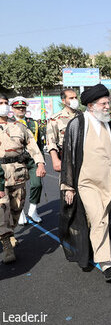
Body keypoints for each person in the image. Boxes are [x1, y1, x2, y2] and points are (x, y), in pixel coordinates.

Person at [59, 84, 111, 281]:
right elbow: (68, 155)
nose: (107, 106)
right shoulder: (77, 125)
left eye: (107, 102)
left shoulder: (110, 125)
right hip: (87, 183)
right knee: (99, 218)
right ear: (91, 105)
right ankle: (106, 264)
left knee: (103, 219)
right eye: (103, 103)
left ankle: (94, 243)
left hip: (110, 182)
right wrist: (68, 186)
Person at [0, 94, 46, 263]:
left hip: (18, 173)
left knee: (16, 208)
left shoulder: (20, 127)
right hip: (0, 176)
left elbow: (33, 147)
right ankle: (7, 245)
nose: (4, 106)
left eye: (6, 103)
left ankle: (9, 232)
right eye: (1, 103)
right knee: (2, 210)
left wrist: (40, 163)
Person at [9, 97, 46, 224]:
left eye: (23, 108)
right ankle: (20, 213)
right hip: (16, 162)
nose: (20, 110)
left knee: (37, 184)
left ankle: (33, 210)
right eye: (18, 108)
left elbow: (39, 145)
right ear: (12, 109)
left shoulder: (33, 123)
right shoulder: (7, 123)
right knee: (19, 189)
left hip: (32, 160)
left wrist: (41, 163)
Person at [46, 89, 79, 173]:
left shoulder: (84, 117)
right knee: (67, 185)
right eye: (71, 98)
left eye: (76, 98)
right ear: (64, 101)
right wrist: (55, 159)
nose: (74, 100)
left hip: (84, 158)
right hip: (66, 158)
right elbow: (51, 141)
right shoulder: (55, 119)